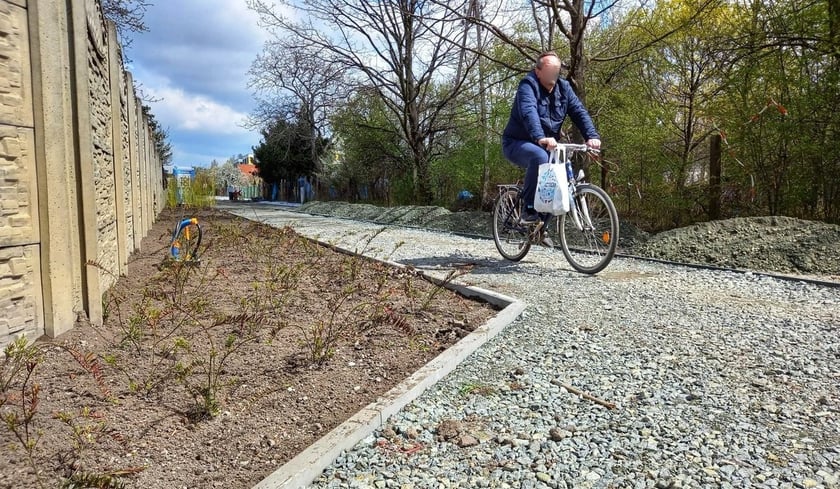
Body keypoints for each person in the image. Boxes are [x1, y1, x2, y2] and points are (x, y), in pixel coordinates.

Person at [502, 51, 601, 244]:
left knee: (560, 174)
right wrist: (540, 137)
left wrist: (592, 136)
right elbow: (529, 111)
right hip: (517, 142)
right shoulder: (528, 86)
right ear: (538, 71)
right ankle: (528, 210)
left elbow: (579, 112)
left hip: (548, 144)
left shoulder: (564, 89)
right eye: (549, 70)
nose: (554, 74)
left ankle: (541, 227)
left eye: (556, 70)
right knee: (540, 158)